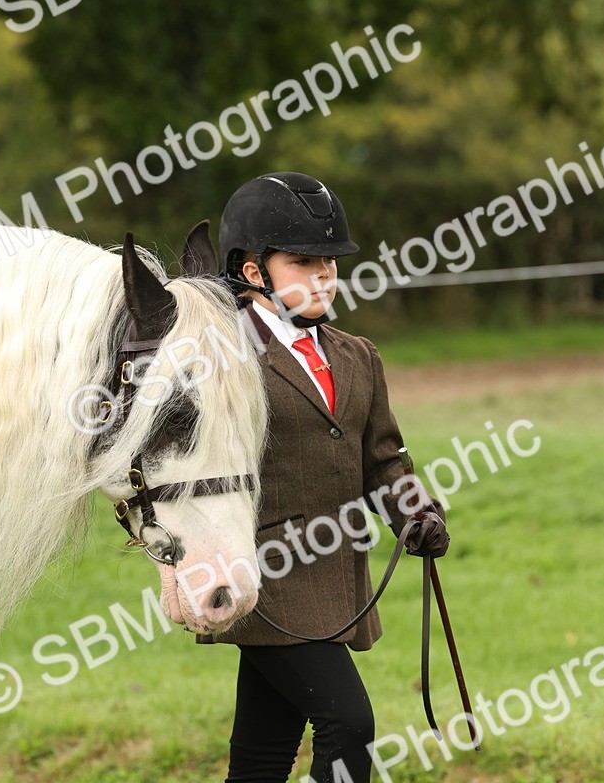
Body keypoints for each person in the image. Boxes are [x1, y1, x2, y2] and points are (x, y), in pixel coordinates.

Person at [198, 171, 450, 783]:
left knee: (262, 753)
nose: (323, 276)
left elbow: (384, 459)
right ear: (253, 272)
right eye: (302, 261)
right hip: (267, 573)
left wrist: (415, 513)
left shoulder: (356, 354)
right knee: (349, 725)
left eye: (329, 263)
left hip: (336, 575)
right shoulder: (222, 358)